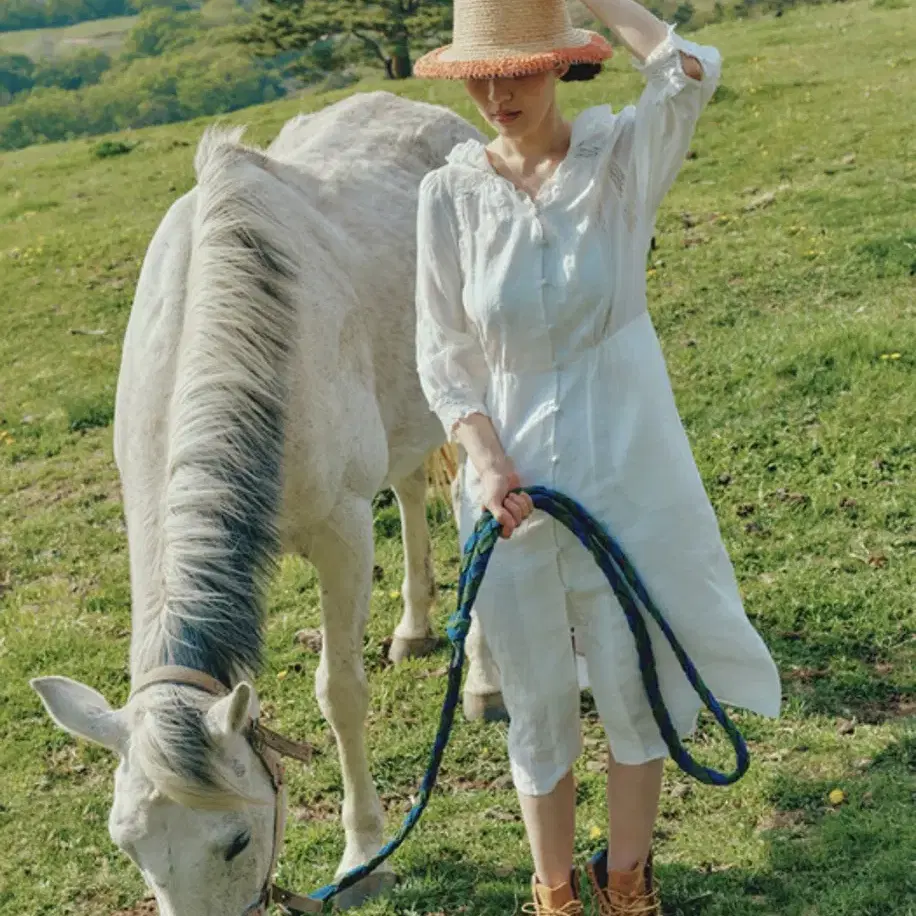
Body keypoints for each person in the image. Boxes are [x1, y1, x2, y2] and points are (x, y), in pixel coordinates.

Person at [413, 1, 782, 913]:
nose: (500, 94)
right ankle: (553, 896)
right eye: (483, 75)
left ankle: (627, 886)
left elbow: (691, 68)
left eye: (523, 70)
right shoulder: (448, 194)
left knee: (631, 679)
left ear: (564, 64)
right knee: (534, 695)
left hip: (625, 461)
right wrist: (483, 455)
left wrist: (604, 0)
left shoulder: (619, 160)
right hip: (509, 488)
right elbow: (442, 347)